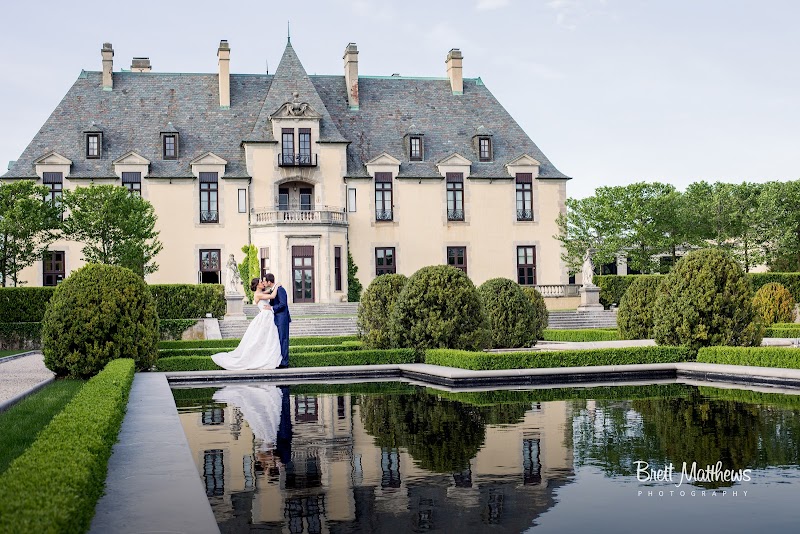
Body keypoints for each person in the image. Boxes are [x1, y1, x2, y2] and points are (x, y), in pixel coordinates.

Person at [210, 278, 282, 370]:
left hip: (268, 316)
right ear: (257, 285)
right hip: (265, 317)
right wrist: (277, 285)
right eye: (261, 282)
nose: (263, 283)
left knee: (267, 338)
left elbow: (269, 291)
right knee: (260, 338)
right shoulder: (258, 294)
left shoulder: (260, 293)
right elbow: (272, 296)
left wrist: (273, 287)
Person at [264, 273, 292, 368]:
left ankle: (285, 362)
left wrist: (271, 308)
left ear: (269, 282)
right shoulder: (274, 290)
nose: (264, 283)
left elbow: (283, 304)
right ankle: (280, 360)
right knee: (278, 340)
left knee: (283, 339)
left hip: (282, 318)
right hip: (277, 319)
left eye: (265, 281)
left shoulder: (280, 290)